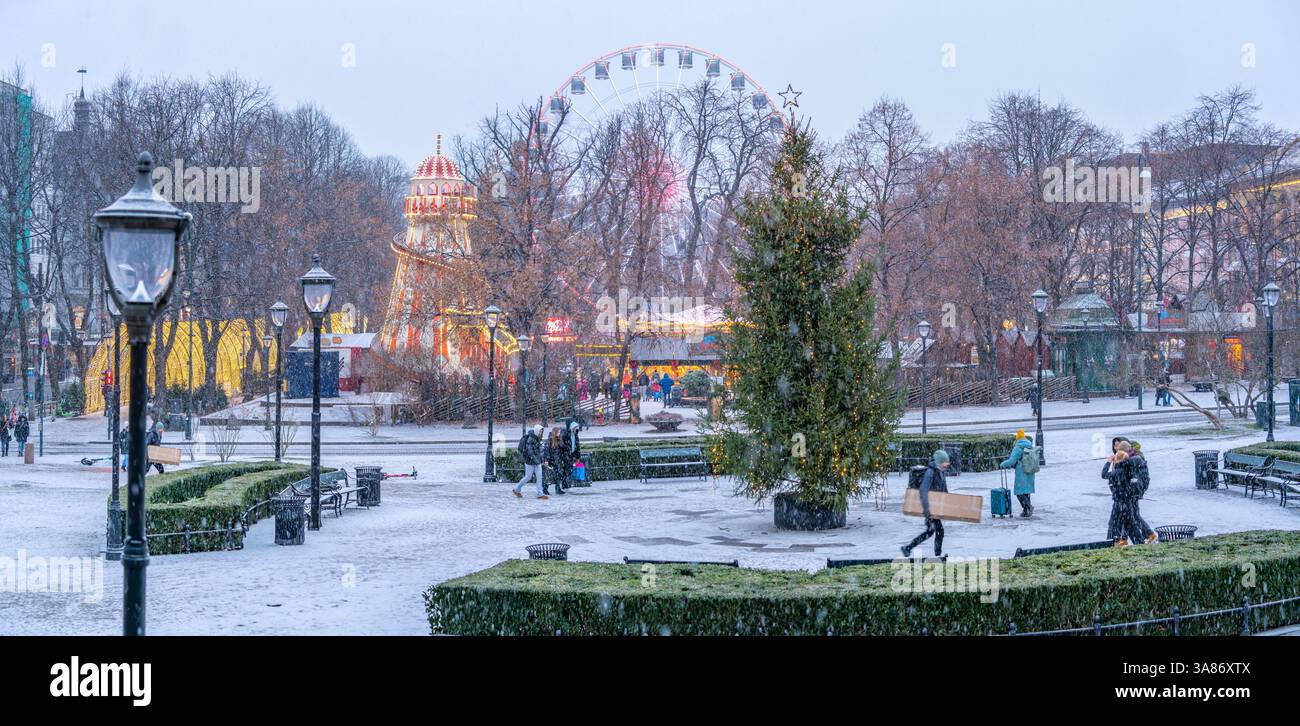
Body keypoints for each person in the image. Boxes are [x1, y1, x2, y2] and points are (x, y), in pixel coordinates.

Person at [902, 449, 950, 558]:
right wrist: (927, 510)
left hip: (936, 507)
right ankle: (938, 556)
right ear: (938, 462)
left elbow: (944, 490)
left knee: (931, 532)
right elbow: (923, 492)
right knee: (938, 531)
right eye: (944, 463)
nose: (946, 466)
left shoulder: (941, 472)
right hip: (929, 508)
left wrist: (948, 503)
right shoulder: (930, 473)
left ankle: (908, 548)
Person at [998, 430, 1037, 517]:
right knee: (1026, 491)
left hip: (1022, 471)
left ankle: (1028, 507)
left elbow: (1012, 461)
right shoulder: (1029, 445)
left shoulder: (1018, 447)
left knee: (1019, 492)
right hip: (1030, 470)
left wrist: (1002, 464)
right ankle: (1026, 511)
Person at [513, 424, 547, 500]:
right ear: (537, 431)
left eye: (542, 432)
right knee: (528, 477)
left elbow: (539, 451)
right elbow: (530, 452)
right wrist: (537, 461)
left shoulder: (538, 438)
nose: (541, 433)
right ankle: (516, 489)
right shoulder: (530, 439)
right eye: (540, 431)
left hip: (537, 461)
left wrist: (541, 460)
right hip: (530, 461)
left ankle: (540, 494)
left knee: (539, 477)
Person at [541, 426, 568, 496]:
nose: (560, 433)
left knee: (558, 474)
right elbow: (546, 450)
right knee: (549, 476)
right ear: (555, 432)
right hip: (551, 460)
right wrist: (546, 460)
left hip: (557, 460)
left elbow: (561, 449)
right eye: (558, 432)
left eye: (560, 432)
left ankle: (558, 488)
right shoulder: (549, 440)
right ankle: (545, 488)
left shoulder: (559, 439)